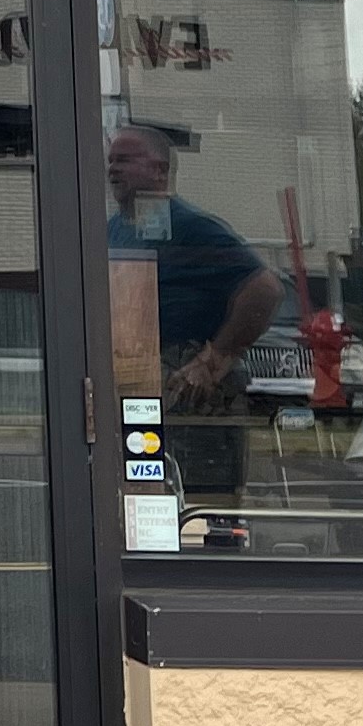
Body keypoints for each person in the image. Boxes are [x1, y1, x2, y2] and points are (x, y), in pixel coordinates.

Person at [106, 124, 283, 511]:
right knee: (146, 502)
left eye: (124, 160)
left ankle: (208, 568)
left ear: (159, 169)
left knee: (201, 510)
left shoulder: (191, 227)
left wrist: (213, 361)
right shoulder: (115, 230)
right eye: (110, 161)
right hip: (140, 387)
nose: (112, 169)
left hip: (189, 396)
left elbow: (264, 289)